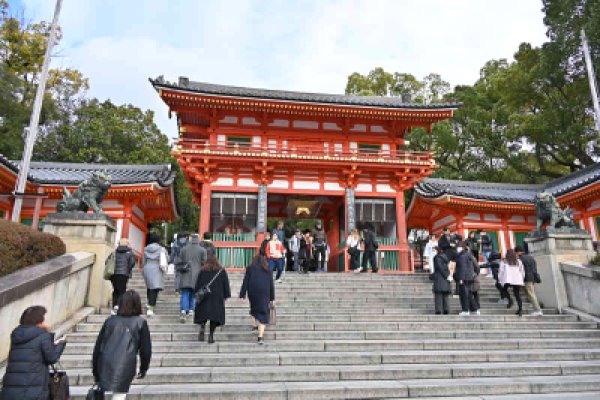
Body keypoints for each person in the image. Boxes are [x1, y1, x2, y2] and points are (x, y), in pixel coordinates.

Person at [93, 290, 151, 399]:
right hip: (126, 363)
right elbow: (146, 350)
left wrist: (95, 370)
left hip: (105, 361)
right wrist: (144, 368)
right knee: (119, 395)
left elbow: (98, 347)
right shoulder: (140, 322)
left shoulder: (110, 321)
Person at [1, 306, 66, 400]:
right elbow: (51, 357)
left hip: (11, 389)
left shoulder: (17, 334)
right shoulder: (42, 335)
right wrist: (61, 343)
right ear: (39, 321)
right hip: (34, 389)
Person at [194, 255, 231, 344]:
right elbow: (226, 285)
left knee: (203, 313)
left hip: (205, 296)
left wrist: (197, 293)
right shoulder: (221, 271)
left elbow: (198, 284)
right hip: (217, 297)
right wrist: (226, 296)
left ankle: (202, 326)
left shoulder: (202, 271)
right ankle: (211, 335)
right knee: (214, 317)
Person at [239, 256, 275, 345]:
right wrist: (272, 298)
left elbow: (245, 281)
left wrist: (242, 294)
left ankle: (255, 325)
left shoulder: (250, 268)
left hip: (253, 292)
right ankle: (260, 337)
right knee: (263, 312)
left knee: (254, 307)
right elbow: (271, 284)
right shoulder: (268, 269)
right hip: (264, 292)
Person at [178, 233, 207, 323]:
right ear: (198, 239)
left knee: (185, 293)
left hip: (185, 274)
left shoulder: (184, 249)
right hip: (197, 274)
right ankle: (191, 310)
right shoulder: (202, 250)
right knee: (194, 293)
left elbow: (180, 261)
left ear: (190, 239)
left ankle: (183, 310)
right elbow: (204, 262)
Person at [142, 232, 168, 316]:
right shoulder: (161, 249)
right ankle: (150, 308)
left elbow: (143, 260)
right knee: (154, 288)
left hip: (147, 267)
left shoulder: (146, 248)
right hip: (157, 267)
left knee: (149, 286)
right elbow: (166, 258)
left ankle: (149, 302)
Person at [111, 238, 137, 315]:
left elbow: (107, 261)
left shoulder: (114, 252)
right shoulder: (129, 252)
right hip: (124, 274)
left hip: (114, 274)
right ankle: (119, 306)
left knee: (115, 290)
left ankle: (115, 305)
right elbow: (132, 263)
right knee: (122, 290)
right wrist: (128, 269)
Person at [515, 245, 543, 316]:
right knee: (530, 293)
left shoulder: (520, 259)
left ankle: (538, 310)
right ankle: (535, 306)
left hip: (526, 278)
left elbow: (520, 270)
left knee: (531, 294)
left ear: (518, 252)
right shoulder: (531, 257)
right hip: (533, 277)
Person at [499, 249, 525, 316]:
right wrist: (522, 278)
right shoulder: (518, 261)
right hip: (517, 279)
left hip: (508, 279)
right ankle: (520, 310)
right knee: (517, 295)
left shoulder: (504, 261)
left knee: (504, 290)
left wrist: (500, 280)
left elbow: (501, 271)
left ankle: (510, 300)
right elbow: (522, 271)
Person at [454, 241, 476, 316]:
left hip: (464, 277)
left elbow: (462, 268)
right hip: (469, 277)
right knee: (469, 294)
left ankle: (465, 310)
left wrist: (461, 278)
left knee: (464, 294)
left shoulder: (462, 256)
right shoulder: (468, 254)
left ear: (462, 248)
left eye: (458, 247)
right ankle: (473, 309)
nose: (457, 249)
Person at [431, 247, 451, 315]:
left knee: (438, 295)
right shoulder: (446, 258)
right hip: (446, 278)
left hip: (439, 277)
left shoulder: (437, 258)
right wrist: (447, 275)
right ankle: (446, 309)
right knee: (445, 295)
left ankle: (439, 310)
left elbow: (439, 268)